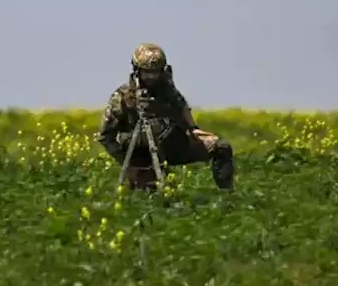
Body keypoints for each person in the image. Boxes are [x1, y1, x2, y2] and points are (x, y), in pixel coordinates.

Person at [95, 42, 234, 191]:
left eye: (156, 72)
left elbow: (181, 107)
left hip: (172, 144)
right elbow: (105, 136)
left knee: (221, 147)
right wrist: (127, 163)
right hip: (142, 154)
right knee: (159, 194)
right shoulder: (123, 97)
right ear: (137, 71)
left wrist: (192, 128)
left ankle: (226, 195)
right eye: (146, 72)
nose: (151, 77)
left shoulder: (167, 90)